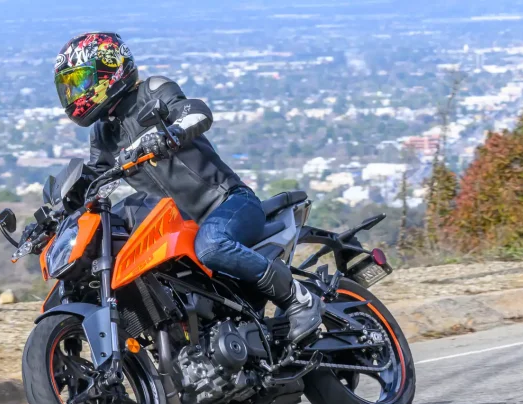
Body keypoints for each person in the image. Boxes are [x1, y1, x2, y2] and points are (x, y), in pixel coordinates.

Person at [53, 32, 323, 343]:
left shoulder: (152, 91)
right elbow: (95, 181)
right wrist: (58, 209)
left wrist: (170, 134)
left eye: (80, 82)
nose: (75, 93)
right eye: (69, 86)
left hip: (227, 203)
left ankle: (298, 298)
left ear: (108, 69)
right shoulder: (103, 135)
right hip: (179, 228)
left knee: (213, 245)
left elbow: (195, 112)